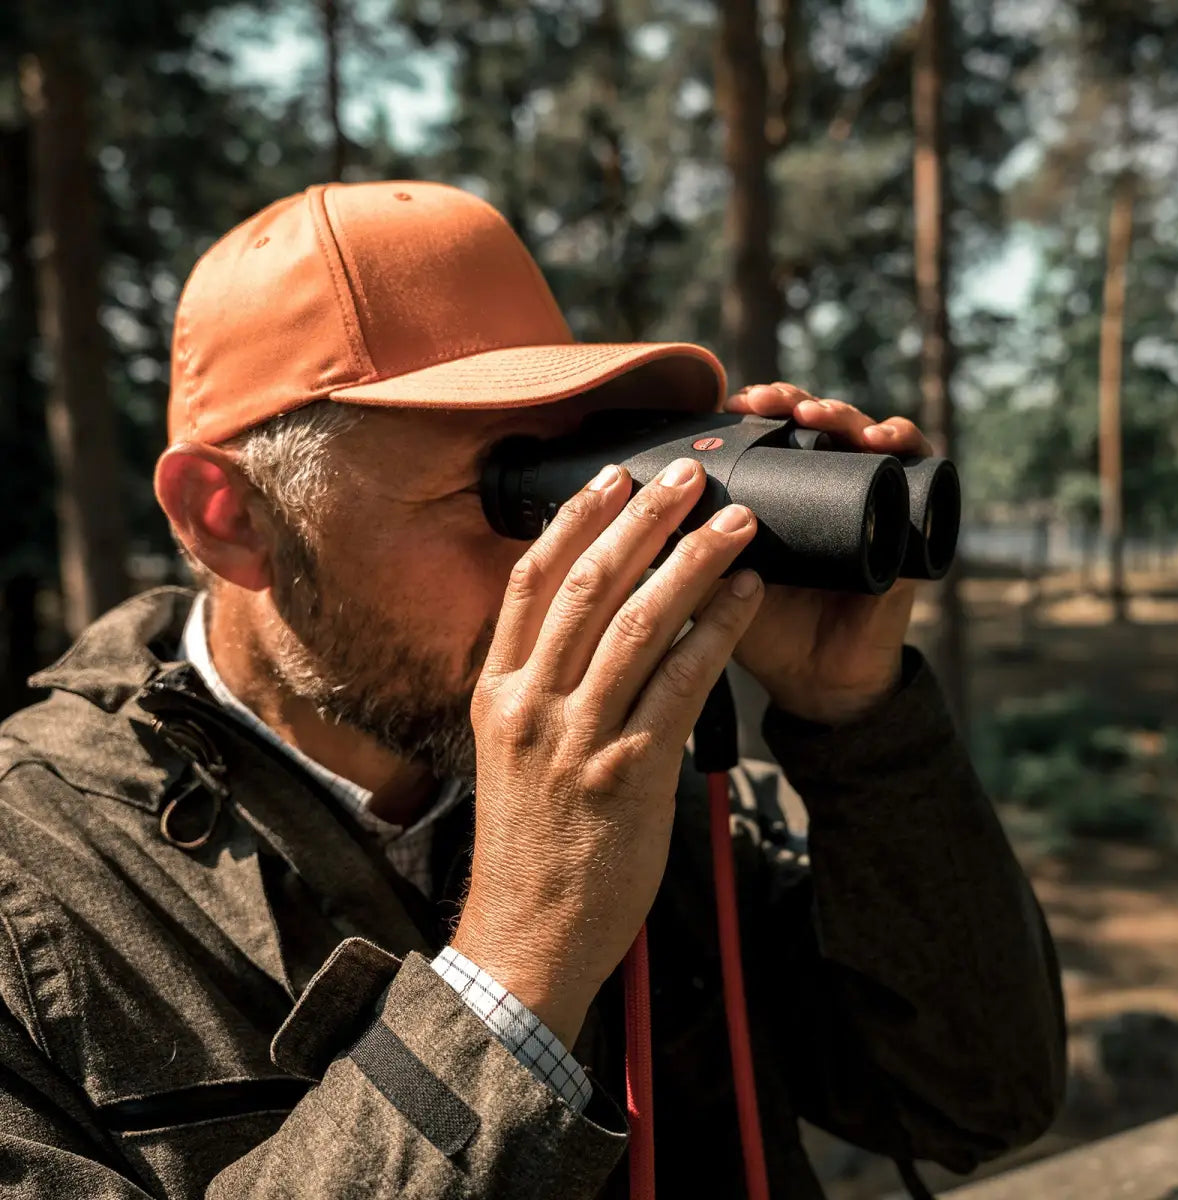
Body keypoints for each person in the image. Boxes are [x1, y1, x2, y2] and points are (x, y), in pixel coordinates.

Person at [0, 180, 1064, 1200]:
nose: (571, 554)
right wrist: (519, 963)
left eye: (587, 474)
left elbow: (975, 1101)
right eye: (510, 489)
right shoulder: (34, 891)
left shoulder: (636, 780)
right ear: (231, 517)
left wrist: (859, 726)